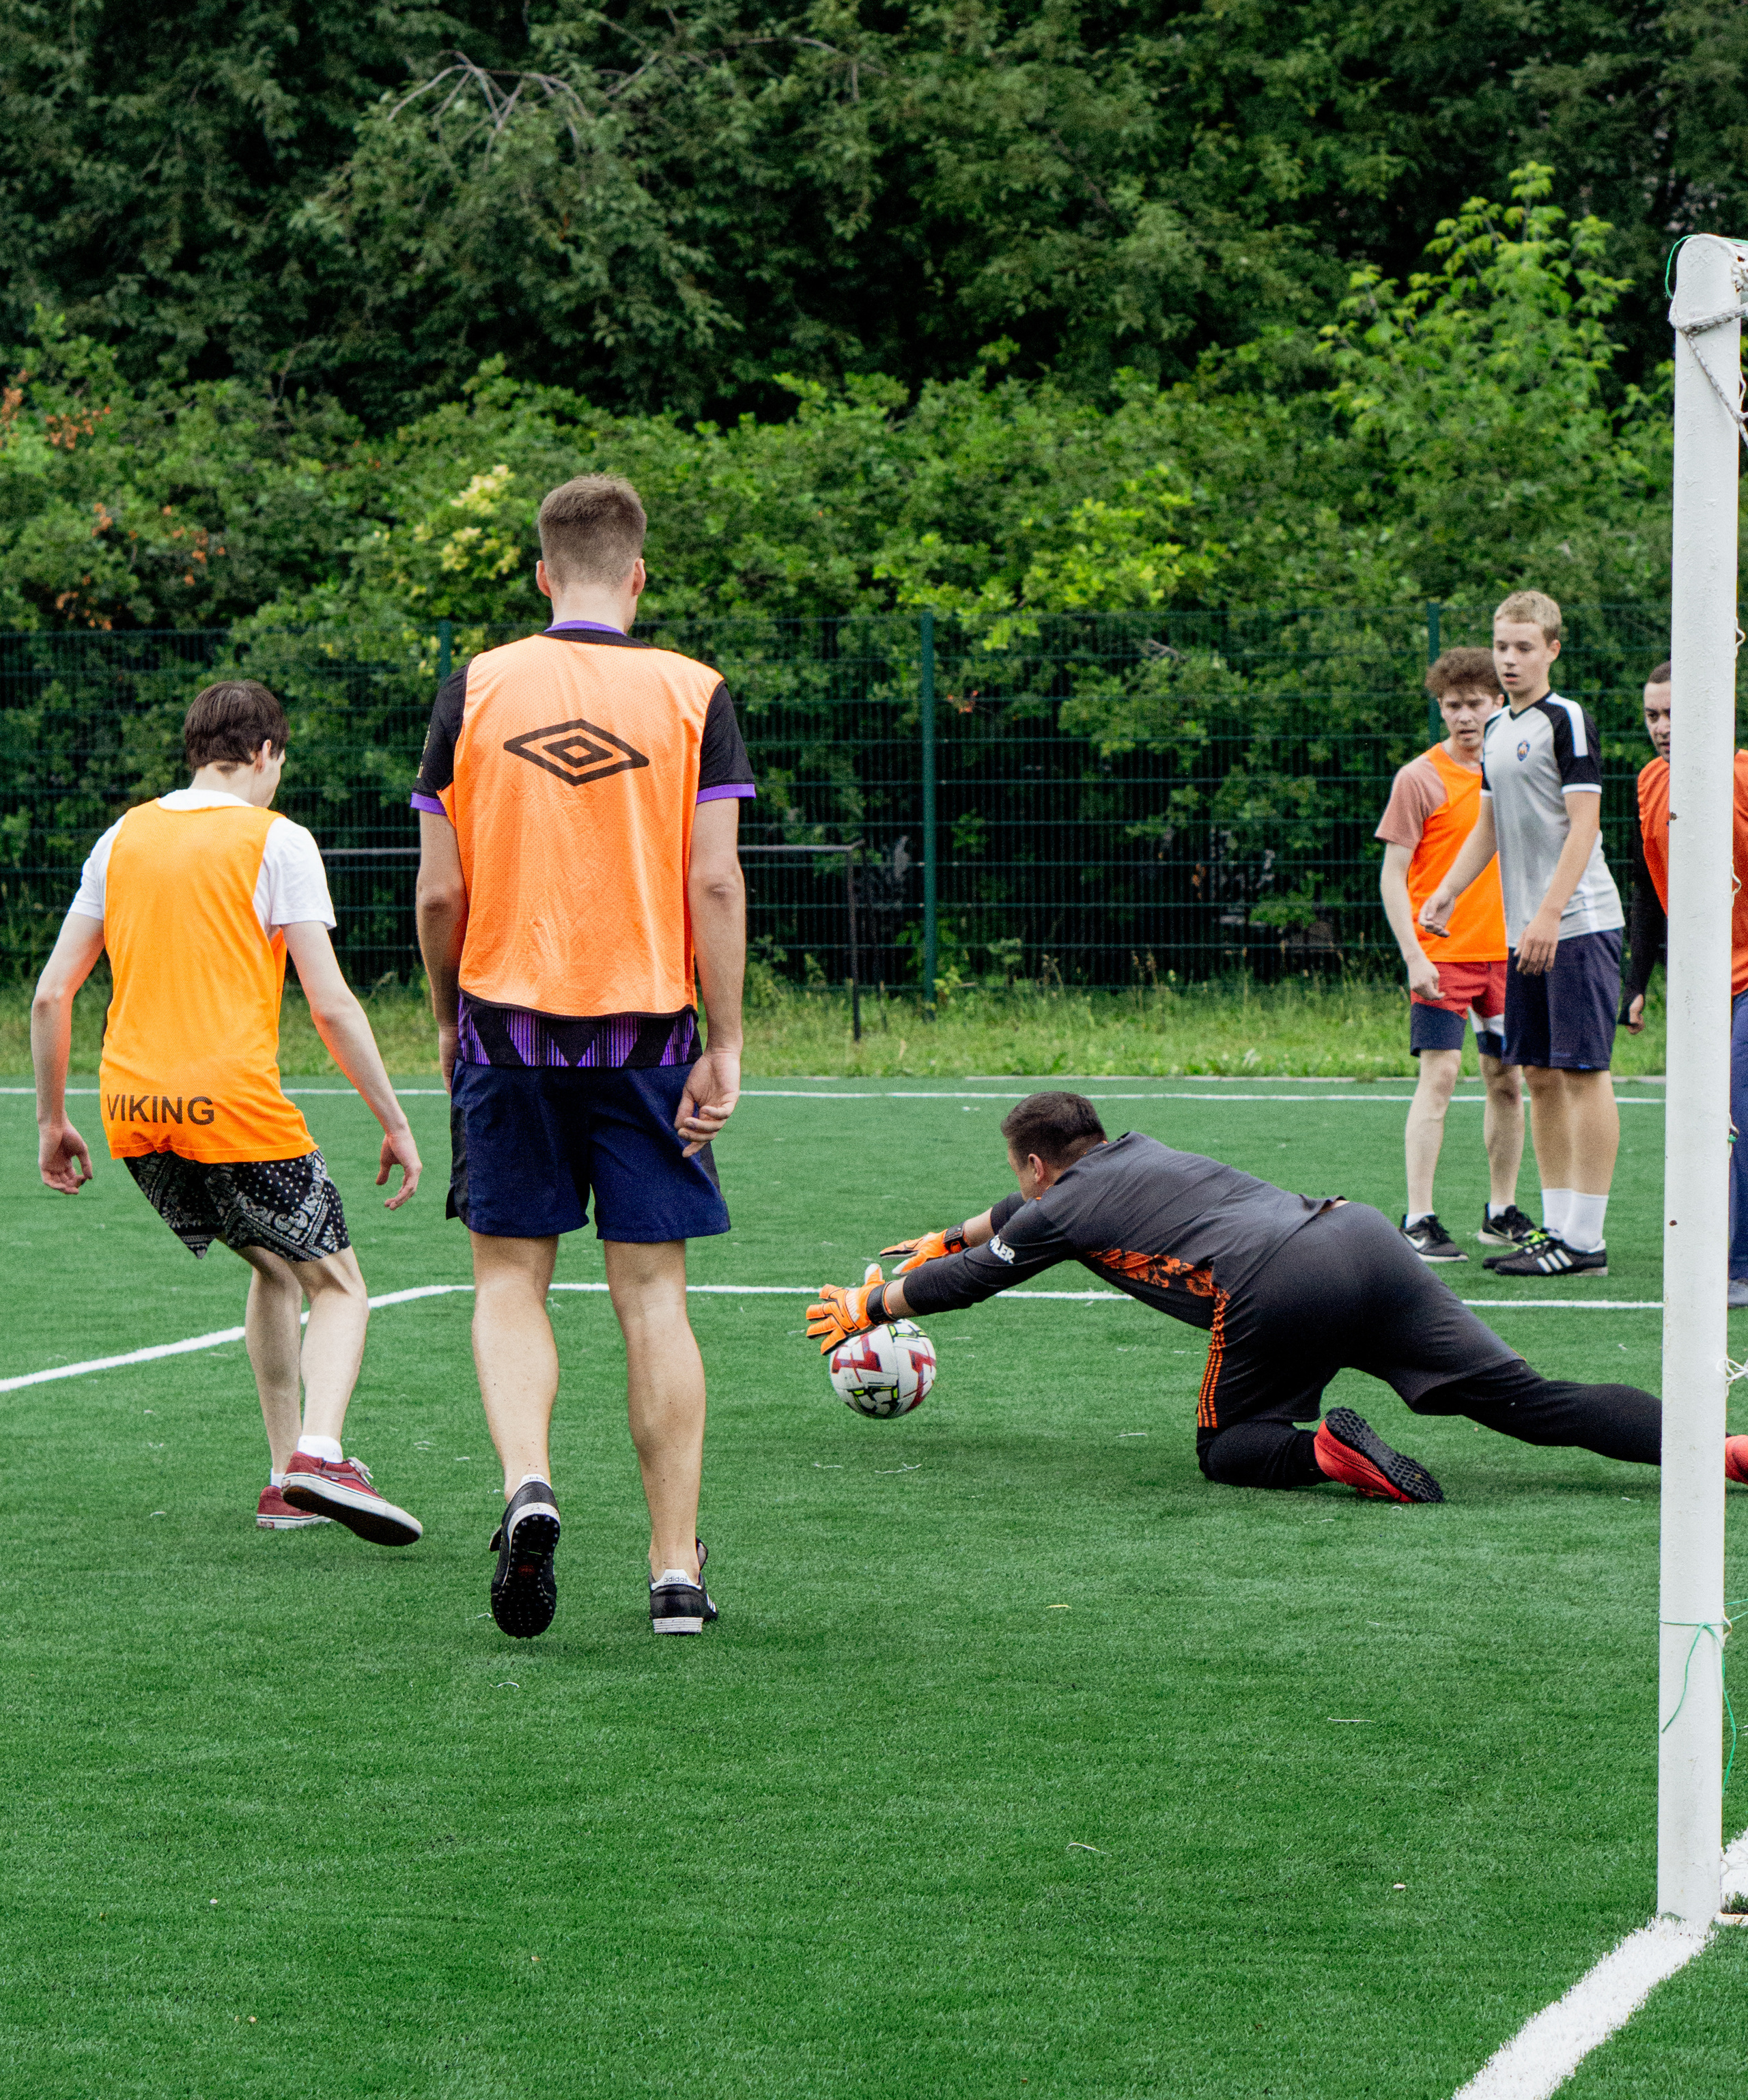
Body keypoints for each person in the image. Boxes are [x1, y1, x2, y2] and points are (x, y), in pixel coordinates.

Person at [414, 472, 751, 1640]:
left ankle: (529, 1485)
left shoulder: (474, 687)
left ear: (542, 572)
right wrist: (729, 1040)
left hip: (506, 1031)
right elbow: (714, 878)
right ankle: (672, 1572)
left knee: (510, 1281)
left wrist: (449, 1011)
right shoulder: (692, 692)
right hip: (650, 1040)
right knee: (652, 1298)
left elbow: (441, 890)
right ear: (639, 574)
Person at [806, 1092, 1748, 1498]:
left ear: (1040, 1163)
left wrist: (876, 1307)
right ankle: (1725, 1455)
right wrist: (949, 1234)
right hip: (1359, 1237)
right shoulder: (1133, 1155)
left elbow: (987, 1271)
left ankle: (1331, 1458)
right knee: (1531, 1403)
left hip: (1277, 1288)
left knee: (1229, 1451)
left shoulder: (1061, 1207)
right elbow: (1015, 1221)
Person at [29, 680, 425, 1543]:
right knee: (343, 1285)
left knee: (276, 1270)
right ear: (266, 753)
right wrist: (394, 1119)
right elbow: (331, 1004)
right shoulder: (276, 840)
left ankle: (285, 1479)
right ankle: (320, 1453)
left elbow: (53, 995)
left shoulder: (122, 836)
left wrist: (51, 1120)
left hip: (133, 1113)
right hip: (233, 1107)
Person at [1420, 591, 1624, 1278]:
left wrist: (1547, 914)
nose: (1509, 659)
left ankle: (1587, 1239)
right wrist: (1446, 891)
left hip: (1578, 923)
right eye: (1501, 646)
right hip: (1526, 934)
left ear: (1551, 650)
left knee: (1582, 1072)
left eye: (1523, 647)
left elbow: (1585, 825)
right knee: (1536, 1073)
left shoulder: (1565, 719)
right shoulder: (1498, 731)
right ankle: (1559, 1229)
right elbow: (1488, 825)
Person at [1376, 647, 1530, 1262]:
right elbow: (1392, 876)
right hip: (1444, 959)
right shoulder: (1419, 777)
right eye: (1451, 705)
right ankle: (1419, 1217)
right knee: (1439, 1077)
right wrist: (1414, 952)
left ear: (1498, 702)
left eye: (1474, 703)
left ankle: (1501, 1212)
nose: (1464, 716)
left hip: (1509, 957)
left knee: (1508, 1081)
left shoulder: (1514, 769)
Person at [1620, 660, 1748, 1308]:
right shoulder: (1651, 783)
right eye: (1653, 716)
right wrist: (1636, 981)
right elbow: (1648, 885)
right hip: (1705, 983)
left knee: (1741, 1110)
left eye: (1676, 714)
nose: (1664, 728)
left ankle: (1737, 1264)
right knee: (1711, 1118)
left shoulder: (1744, 774)